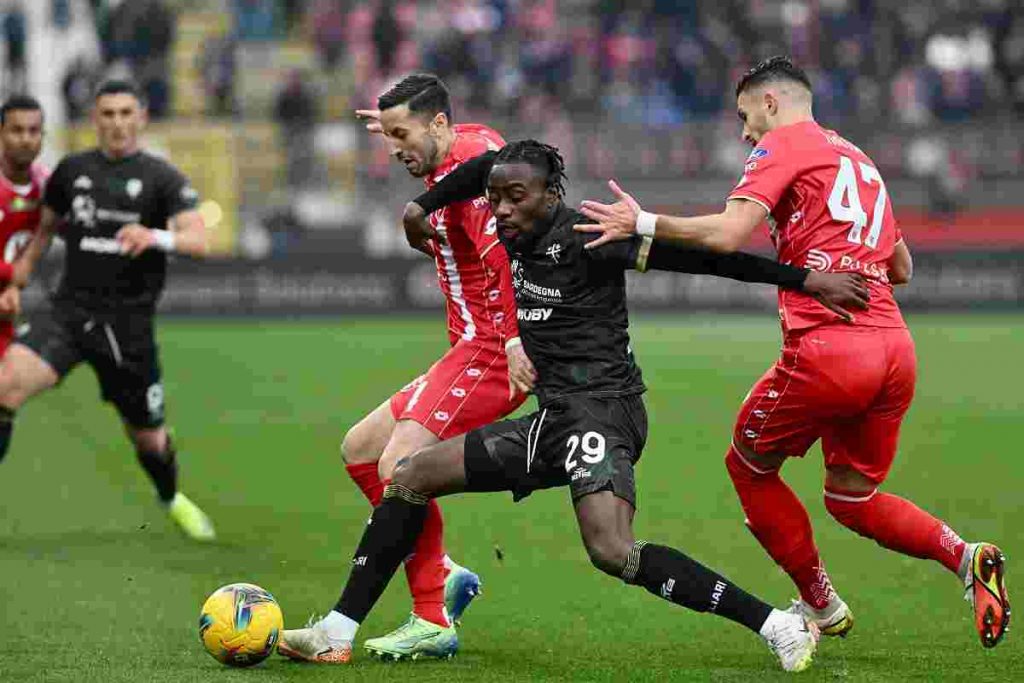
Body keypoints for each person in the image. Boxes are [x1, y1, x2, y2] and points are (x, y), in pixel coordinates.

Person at [277, 139, 873, 671]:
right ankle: (338, 630)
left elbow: (706, 259)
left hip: (604, 411)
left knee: (612, 551)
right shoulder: (512, 226)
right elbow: (483, 168)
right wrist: (421, 207)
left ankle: (778, 625)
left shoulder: (592, 237)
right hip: (553, 417)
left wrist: (803, 280)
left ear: (551, 194)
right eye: (496, 201)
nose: (504, 210)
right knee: (409, 475)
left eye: (517, 198)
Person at [576, 56, 1010, 649]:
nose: (745, 132)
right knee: (851, 498)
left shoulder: (785, 145)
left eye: (745, 116)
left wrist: (643, 221)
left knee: (747, 466)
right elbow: (901, 266)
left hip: (832, 350)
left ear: (771, 103)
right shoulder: (858, 158)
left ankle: (820, 605)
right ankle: (967, 557)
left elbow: (730, 234)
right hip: (895, 351)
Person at [333, 73, 524, 660]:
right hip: (466, 348)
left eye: (402, 135)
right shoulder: (457, 148)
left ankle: (430, 616)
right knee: (361, 449)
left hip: (493, 349)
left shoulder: (475, 182)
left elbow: (504, 262)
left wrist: (515, 343)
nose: (394, 149)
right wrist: (399, 120)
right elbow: (476, 141)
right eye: (388, 136)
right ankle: (443, 573)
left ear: (439, 125)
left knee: (400, 464)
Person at [0, 80, 216, 541]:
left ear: (140, 117)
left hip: (128, 329)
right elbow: (43, 232)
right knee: (4, 388)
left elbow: (200, 240)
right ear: (95, 120)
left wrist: (154, 237)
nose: (116, 123)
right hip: (68, 315)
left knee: (150, 439)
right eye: (107, 114)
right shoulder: (72, 171)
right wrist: (18, 276)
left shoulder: (163, 178)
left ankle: (170, 498)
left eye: (125, 113)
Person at [0, 95, 48, 352]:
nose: (26, 139)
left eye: (33, 131)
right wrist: (11, 274)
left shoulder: (47, 186)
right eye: (17, 130)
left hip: (8, 309)